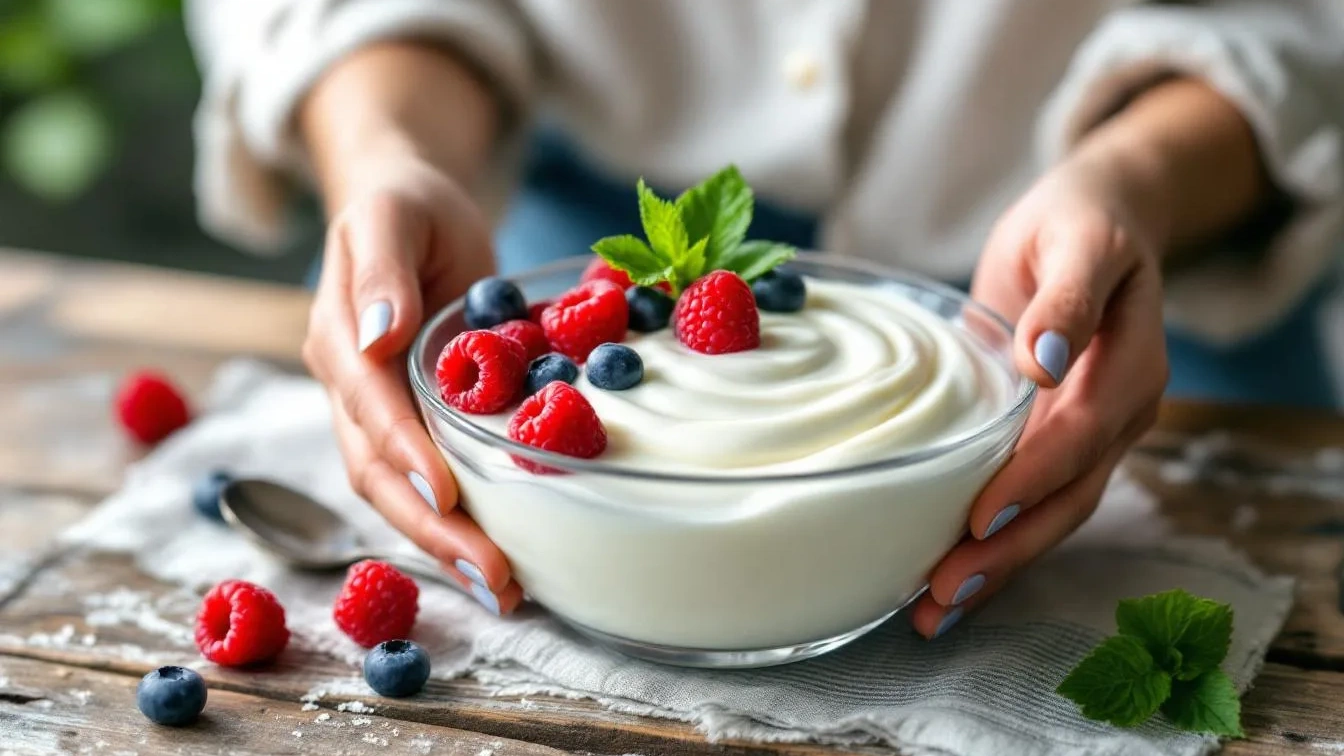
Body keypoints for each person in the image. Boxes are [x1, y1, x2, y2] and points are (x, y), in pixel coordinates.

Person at [185, 1, 1344, 639]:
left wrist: (1135, 180)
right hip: (550, 263)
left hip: (1124, 290)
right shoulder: (538, 339)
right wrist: (389, 151)